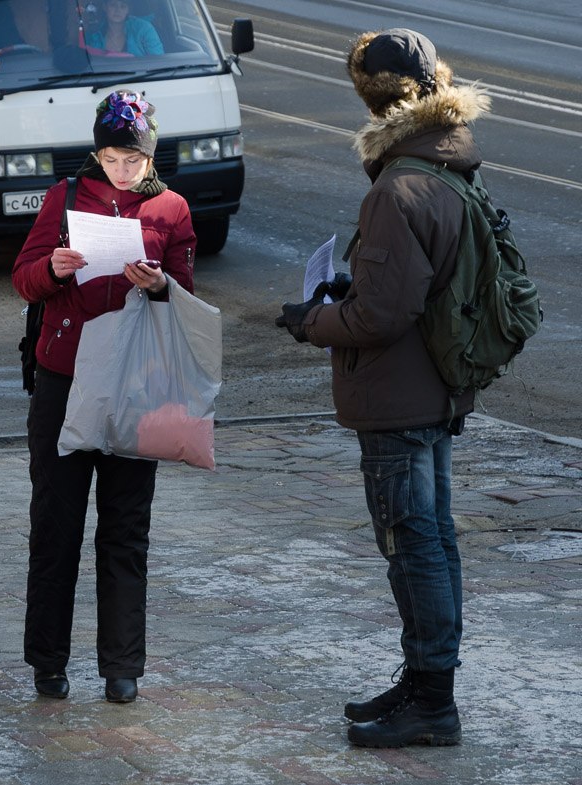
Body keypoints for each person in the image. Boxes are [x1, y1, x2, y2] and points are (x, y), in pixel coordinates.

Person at [274, 29, 485, 748]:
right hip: (436, 385)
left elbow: (381, 315)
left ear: (377, 101)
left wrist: (312, 320)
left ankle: (432, 699)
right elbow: (412, 287)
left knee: (412, 544)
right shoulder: (451, 164)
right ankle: (424, 679)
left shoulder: (401, 186)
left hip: (398, 396)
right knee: (434, 541)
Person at [11, 90, 194, 703]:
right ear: (97, 153)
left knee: (125, 528)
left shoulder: (171, 209)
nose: (124, 171)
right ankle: (48, 664)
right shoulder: (64, 198)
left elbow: (187, 301)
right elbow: (24, 277)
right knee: (55, 526)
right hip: (63, 381)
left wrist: (162, 285)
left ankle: (122, 668)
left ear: (151, 157)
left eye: (135, 161)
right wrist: (55, 269)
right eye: (114, 159)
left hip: (135, 381)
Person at [84, 0, 164, 57]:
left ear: (128, 10)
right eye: (113, 4)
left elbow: (158, 62)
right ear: (105, 7)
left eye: (123, 6)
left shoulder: (144, 29)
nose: (118, 10)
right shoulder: (93, 34)